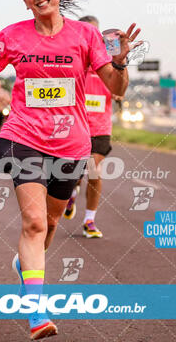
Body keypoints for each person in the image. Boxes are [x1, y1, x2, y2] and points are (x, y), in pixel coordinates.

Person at [0, 0, 139, 340]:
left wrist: (120, 60)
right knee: (32, 223)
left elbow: (118, 85)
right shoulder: (13, 36)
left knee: (48, 225)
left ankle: (25, 266)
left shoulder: (86, 35)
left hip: (71, 144)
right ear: (26, 0)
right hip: (22, 138)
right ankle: (35, 311)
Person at [63, 16, 135, 239]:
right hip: (75, 126)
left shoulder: (107, 62)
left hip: (100, 128)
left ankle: (89, 221)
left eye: (96, 33)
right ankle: (71, 192)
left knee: (93, 170)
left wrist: (120, 61)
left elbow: (120, 90)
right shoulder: (73, 59)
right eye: (87, 31)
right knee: (75, 174)